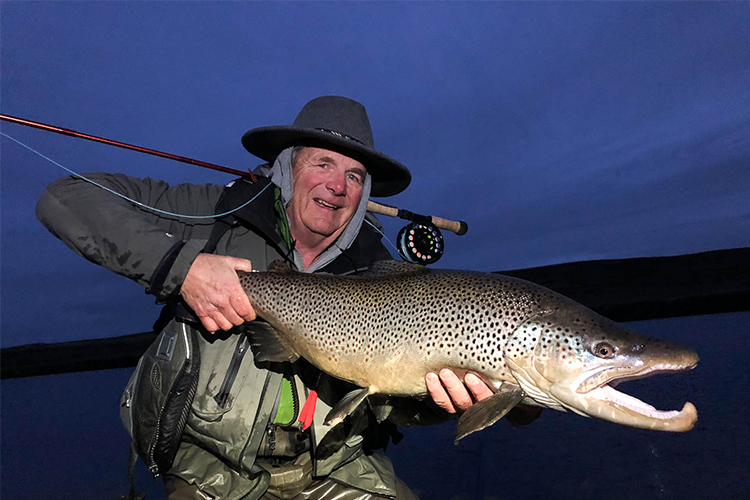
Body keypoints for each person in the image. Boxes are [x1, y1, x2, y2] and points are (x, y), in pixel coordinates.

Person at [36, 96, 493, 500]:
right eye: (322, 164)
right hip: (209, 474)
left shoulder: (380, 275)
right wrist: (184, 269)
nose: (338, 185)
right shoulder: (214, 215)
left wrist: (440, 401)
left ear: (365, 191)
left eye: (354, 174)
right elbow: (64, 198)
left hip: (333, 469)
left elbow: (389, 408)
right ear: (288, 166)